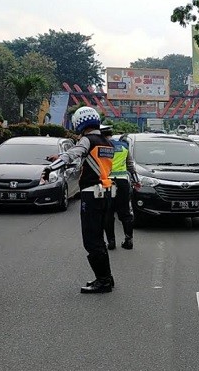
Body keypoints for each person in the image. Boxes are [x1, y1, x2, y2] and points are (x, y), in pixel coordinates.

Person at [43, 107, 116, 294]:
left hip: (92, 195)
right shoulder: (106, 143)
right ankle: (107, 277)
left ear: (79, 122)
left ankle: (103, 281)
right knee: (99, 238)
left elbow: (74, 154)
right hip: (106, 193)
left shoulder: (87, 139)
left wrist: (52, 167)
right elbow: (87, 161)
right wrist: (61, 157)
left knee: (92, 240)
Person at [101, 126, 139, 250]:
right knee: (125, 212)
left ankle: (111, 242)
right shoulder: (124, 146)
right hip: (123, 181)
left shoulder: (102, 147)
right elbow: (130, 165)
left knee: (108, 212)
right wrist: (136, 180)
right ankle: (129, 240)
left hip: (108, 182)